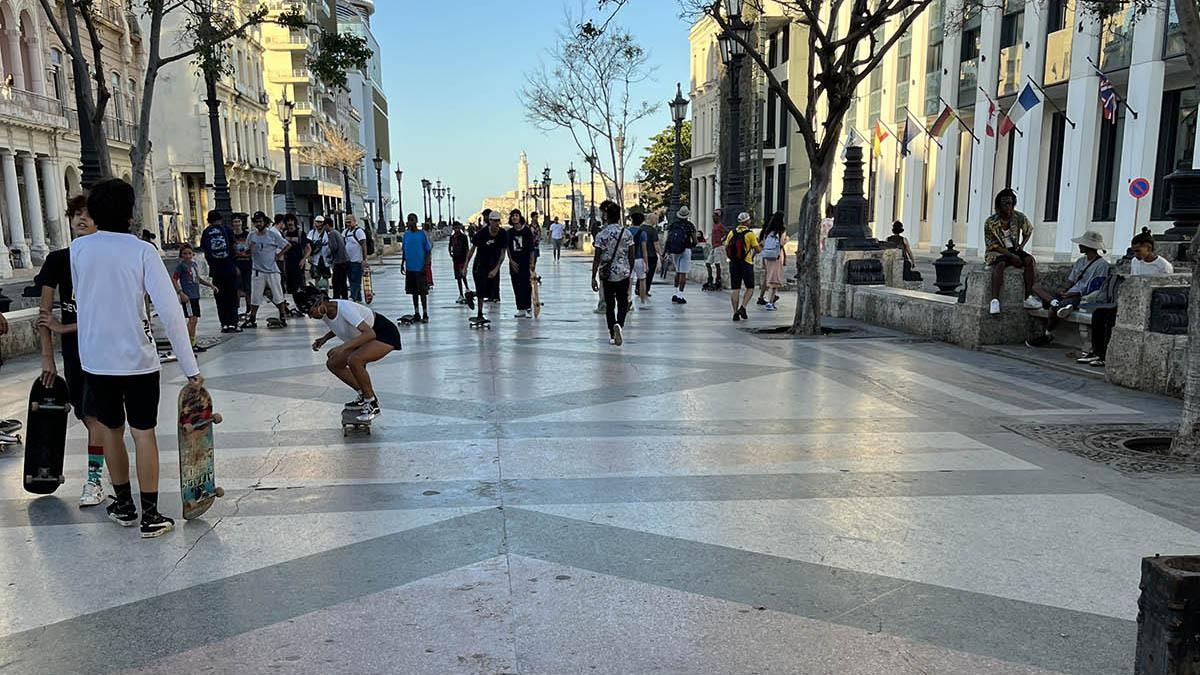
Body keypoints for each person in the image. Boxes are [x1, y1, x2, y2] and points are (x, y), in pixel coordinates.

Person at [71, 178, 202, 538]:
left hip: (96, 359)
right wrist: (190, 368)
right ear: (129, 213)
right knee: (144, 433)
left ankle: (124, 505)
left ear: (94, 212)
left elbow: (85, 301)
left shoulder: (78, 250)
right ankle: (152, 514)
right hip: (137, 359)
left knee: (111, 430)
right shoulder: (142, 251)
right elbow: (172, 312)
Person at [36, 194, 118, 507]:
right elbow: (44, 314)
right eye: (76, 214)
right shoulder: (58, 259)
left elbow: (110, 314)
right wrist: (47, 359)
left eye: (88, 215)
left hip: (102, 349)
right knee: (88, 417)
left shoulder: (106, 258)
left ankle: (95, 480)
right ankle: (112, 469)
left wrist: (64, 327)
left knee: (96, 418)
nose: (81, 219)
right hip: (74, 353)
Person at [297, 285, 400, 422]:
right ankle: (363, 394)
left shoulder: (345, 309)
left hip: (383, 334)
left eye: (310, 312)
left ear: (319, 303)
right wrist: (324, 339)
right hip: (363, 337)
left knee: (355, 360)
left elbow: (369, 333)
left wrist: (342, 347)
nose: (311, 317)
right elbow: (341, 325)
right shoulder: (326, 311)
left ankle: (372, 403)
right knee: (333, 363)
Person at [1078, 232, 1174, 367]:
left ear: (1148, 247)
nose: (1135, 254)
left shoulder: (1163, 266)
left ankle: (1106, 355)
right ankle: (1097, 352)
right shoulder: (1136, 262)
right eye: (1133, 251)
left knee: (1112, 319)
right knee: (1099, 314)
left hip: (1149, 304)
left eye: (1138, 251)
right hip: (1132, 301)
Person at [1026, 231, 1110, 347]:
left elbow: (1095, 287)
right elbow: (1071, 280)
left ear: (1088, 246)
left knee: (1052, 310)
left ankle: (1047, 333)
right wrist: (1064, 290)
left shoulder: (1102, 265)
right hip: (1068, 293)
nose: (1079, 246)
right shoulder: (1081, 261)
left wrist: (1073, 294)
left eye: (1082, 244)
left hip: (1079, 296)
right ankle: (1055, 302)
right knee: (1037, 287)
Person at [984, 188, 1039, 315]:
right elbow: (992, 245)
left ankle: (1029, 297)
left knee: (1029, 260)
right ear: (998, 206)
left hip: (1014, 248)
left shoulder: (1019, 217)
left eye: (1011, 203)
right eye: (1005, 204)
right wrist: (1011, 256)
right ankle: (995, 300)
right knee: (1000, 264)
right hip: (997, 251)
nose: (1009, 207)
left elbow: (1028, 230)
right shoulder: (990, 222)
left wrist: (1021, 245)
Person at [591, 200, 633, 345]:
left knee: (610, 304)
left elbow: (597, 257)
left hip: (607, 274)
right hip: (623, 273)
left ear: (606, 216)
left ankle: (611, 333)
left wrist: (593, 277)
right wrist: (629, 271)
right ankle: (619, 324)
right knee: (623, 302)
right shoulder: (626, 233)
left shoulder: (601, 235)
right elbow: (631, 254)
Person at [243, 211, 291, 329]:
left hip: (272, 270)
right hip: (257, 270)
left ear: (265, 222)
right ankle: (252, 318)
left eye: (260, 221)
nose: (258, 224)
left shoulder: (272, 235)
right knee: (256, 295)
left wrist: (279, 255)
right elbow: (246, 252)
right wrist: (250, 249)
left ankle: (282, 315)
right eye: (256, 222)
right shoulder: (251, 236)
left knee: (277, 294)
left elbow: (287, 245)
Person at [199, 209, 241, 333]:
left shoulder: (206, 232)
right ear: (220, 219)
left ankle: (224, 324)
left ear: (208, 220)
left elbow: (205, 250)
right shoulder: (226, 230)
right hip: (229, 269)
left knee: (220, 298)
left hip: (216, 271)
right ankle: (233, 323)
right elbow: (234, 248)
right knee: (232, 297)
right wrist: (235, 265)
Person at [464, 210, 509, 324]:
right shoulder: (481, 234)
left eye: (498, 221)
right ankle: (479, 313)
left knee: (490, 293)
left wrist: (496, 268)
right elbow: (472, 250)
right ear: (490, 221)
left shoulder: (503, 234)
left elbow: (503, 253)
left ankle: (471, 294)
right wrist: (465, 266)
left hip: (493, 265)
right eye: (494, 221)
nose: (496, 224)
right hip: (480, 265)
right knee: (481, 289)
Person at [171, 243, 215, 351]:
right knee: (191, 319)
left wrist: (210, 285)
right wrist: (180, 292)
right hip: (188, 296)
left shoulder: (194, 265)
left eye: (189, 253)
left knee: (194, 320)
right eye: (185, 254)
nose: (187, 256)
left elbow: (197, 279)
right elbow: (174, 279)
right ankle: (188, 344)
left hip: (195, 295)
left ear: (193, 254)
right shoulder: (181, 266)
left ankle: (192, 342)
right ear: (181, 255)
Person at [725, 212, 762, 322]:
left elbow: (726, 246)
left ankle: (735, 312)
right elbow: (757, 250)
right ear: (746, 222)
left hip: (734, 263)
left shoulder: (732, 233)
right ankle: (743, 307)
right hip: (746, 263)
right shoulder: (750, 234)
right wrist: (760, 246)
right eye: (749, 220)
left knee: (735, 289)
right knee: (750, 288)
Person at [401, 214, 432, 322]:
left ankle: (425, 313)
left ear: (416, 221)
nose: (410, 222)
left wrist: (426, 264)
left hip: (420, 267)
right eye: (409, 220)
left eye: (412, 220)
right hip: (410, 268)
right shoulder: (406, 235)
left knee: (422, 292)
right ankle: (416, 312)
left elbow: (428, 250)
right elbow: (404, 250)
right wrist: (402, 263)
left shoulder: (422, 234)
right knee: (414, 292)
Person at [507, 209, 536, 318]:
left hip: (525, 262)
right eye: (513, 216)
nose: (514, 218)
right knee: (516, 285)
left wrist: (532, 262)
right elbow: (508, 249)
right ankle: (520, 308)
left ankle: (528, 307)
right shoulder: (509, 232)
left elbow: (531, 248)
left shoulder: (527, 231)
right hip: (514, 262)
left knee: (526, 285)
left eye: (516, 215)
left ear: (520, 217)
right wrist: (511, 261)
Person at [757, 212, 788, 311]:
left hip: (768, 257)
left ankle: (770, 300)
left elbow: (763, 243)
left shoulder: (767, 231)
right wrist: (787, 239)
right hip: (776, 257)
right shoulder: (781, 231)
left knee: (771, 278)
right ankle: (770, 302)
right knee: (774, 280)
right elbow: (782, 243)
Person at [281, 213, 309, 313]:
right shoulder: (284, 234)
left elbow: (308, 248)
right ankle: (297, 306)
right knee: (291, 287)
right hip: (288, 263)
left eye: (291, 220)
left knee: (300, 285)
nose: (290, 223)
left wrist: (303, 259)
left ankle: (302, 305)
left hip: (298, 263)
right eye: (288, 221)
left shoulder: (301, 233)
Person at [343, 214, 369, 303]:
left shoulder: (359, 232)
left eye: (349, 222)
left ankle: (353, 297)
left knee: (356, 280)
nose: (348, 224)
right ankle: (358, 297)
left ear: (354, 221)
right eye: (346, 222)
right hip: (349, 260)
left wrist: (364, 259)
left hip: (357, 260)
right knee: (351, 279)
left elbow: (364, 245)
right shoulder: (345, 232)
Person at [629, 212, 651, 309]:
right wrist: (646, 263)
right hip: (639, 259)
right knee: (642, 280)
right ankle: (642, 301)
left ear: (632, 220)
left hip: (629, 260)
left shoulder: (627, 231)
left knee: (629, 281)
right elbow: (644, 250)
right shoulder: (643, 233)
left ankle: (628, 300)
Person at [327, 217, 350, 299]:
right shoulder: (337, 232)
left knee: (336, 281)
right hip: (344, 260)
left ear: (327, 225)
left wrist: (328, 253)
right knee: (343, 281)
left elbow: (334, 247)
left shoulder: (332, 233)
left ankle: (337, 297)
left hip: (339, 261)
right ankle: (344, 297)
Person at [448, 220, 471, 302]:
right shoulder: (452, 237)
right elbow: (450, 246)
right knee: (458, 278)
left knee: (463, 275)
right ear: (453, 228)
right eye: (455, 227)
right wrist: (451, 253)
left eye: (458, 227)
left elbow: (467, 248)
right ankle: (461, 294)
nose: (456, 229)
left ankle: (467, 290)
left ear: (460, 227)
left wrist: (467, 260)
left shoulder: (464, 237)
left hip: (462, 259)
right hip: (455, 259)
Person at [706, 208, 726, 290]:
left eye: (715, 216)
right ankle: (710, 279)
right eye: (713, 216)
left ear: (718, 217)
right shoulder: (714, 225)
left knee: (717, 264)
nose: (713, 218)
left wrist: (722, 240)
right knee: (708, 263)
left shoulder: (720, 225)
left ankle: (718, 280)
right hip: (713, 247)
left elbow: (726, 232)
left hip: (718, 247)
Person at [643, 212, 662, 287]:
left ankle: (638, 288)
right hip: (651, 255)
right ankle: (646, 289)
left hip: (641, 255)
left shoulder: (641, 228)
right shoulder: (653, 230)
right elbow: (656, 244)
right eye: (656, 219)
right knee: (649, 274)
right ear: (652, 220)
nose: (657, 221)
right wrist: (660, 254)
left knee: (641, 274)